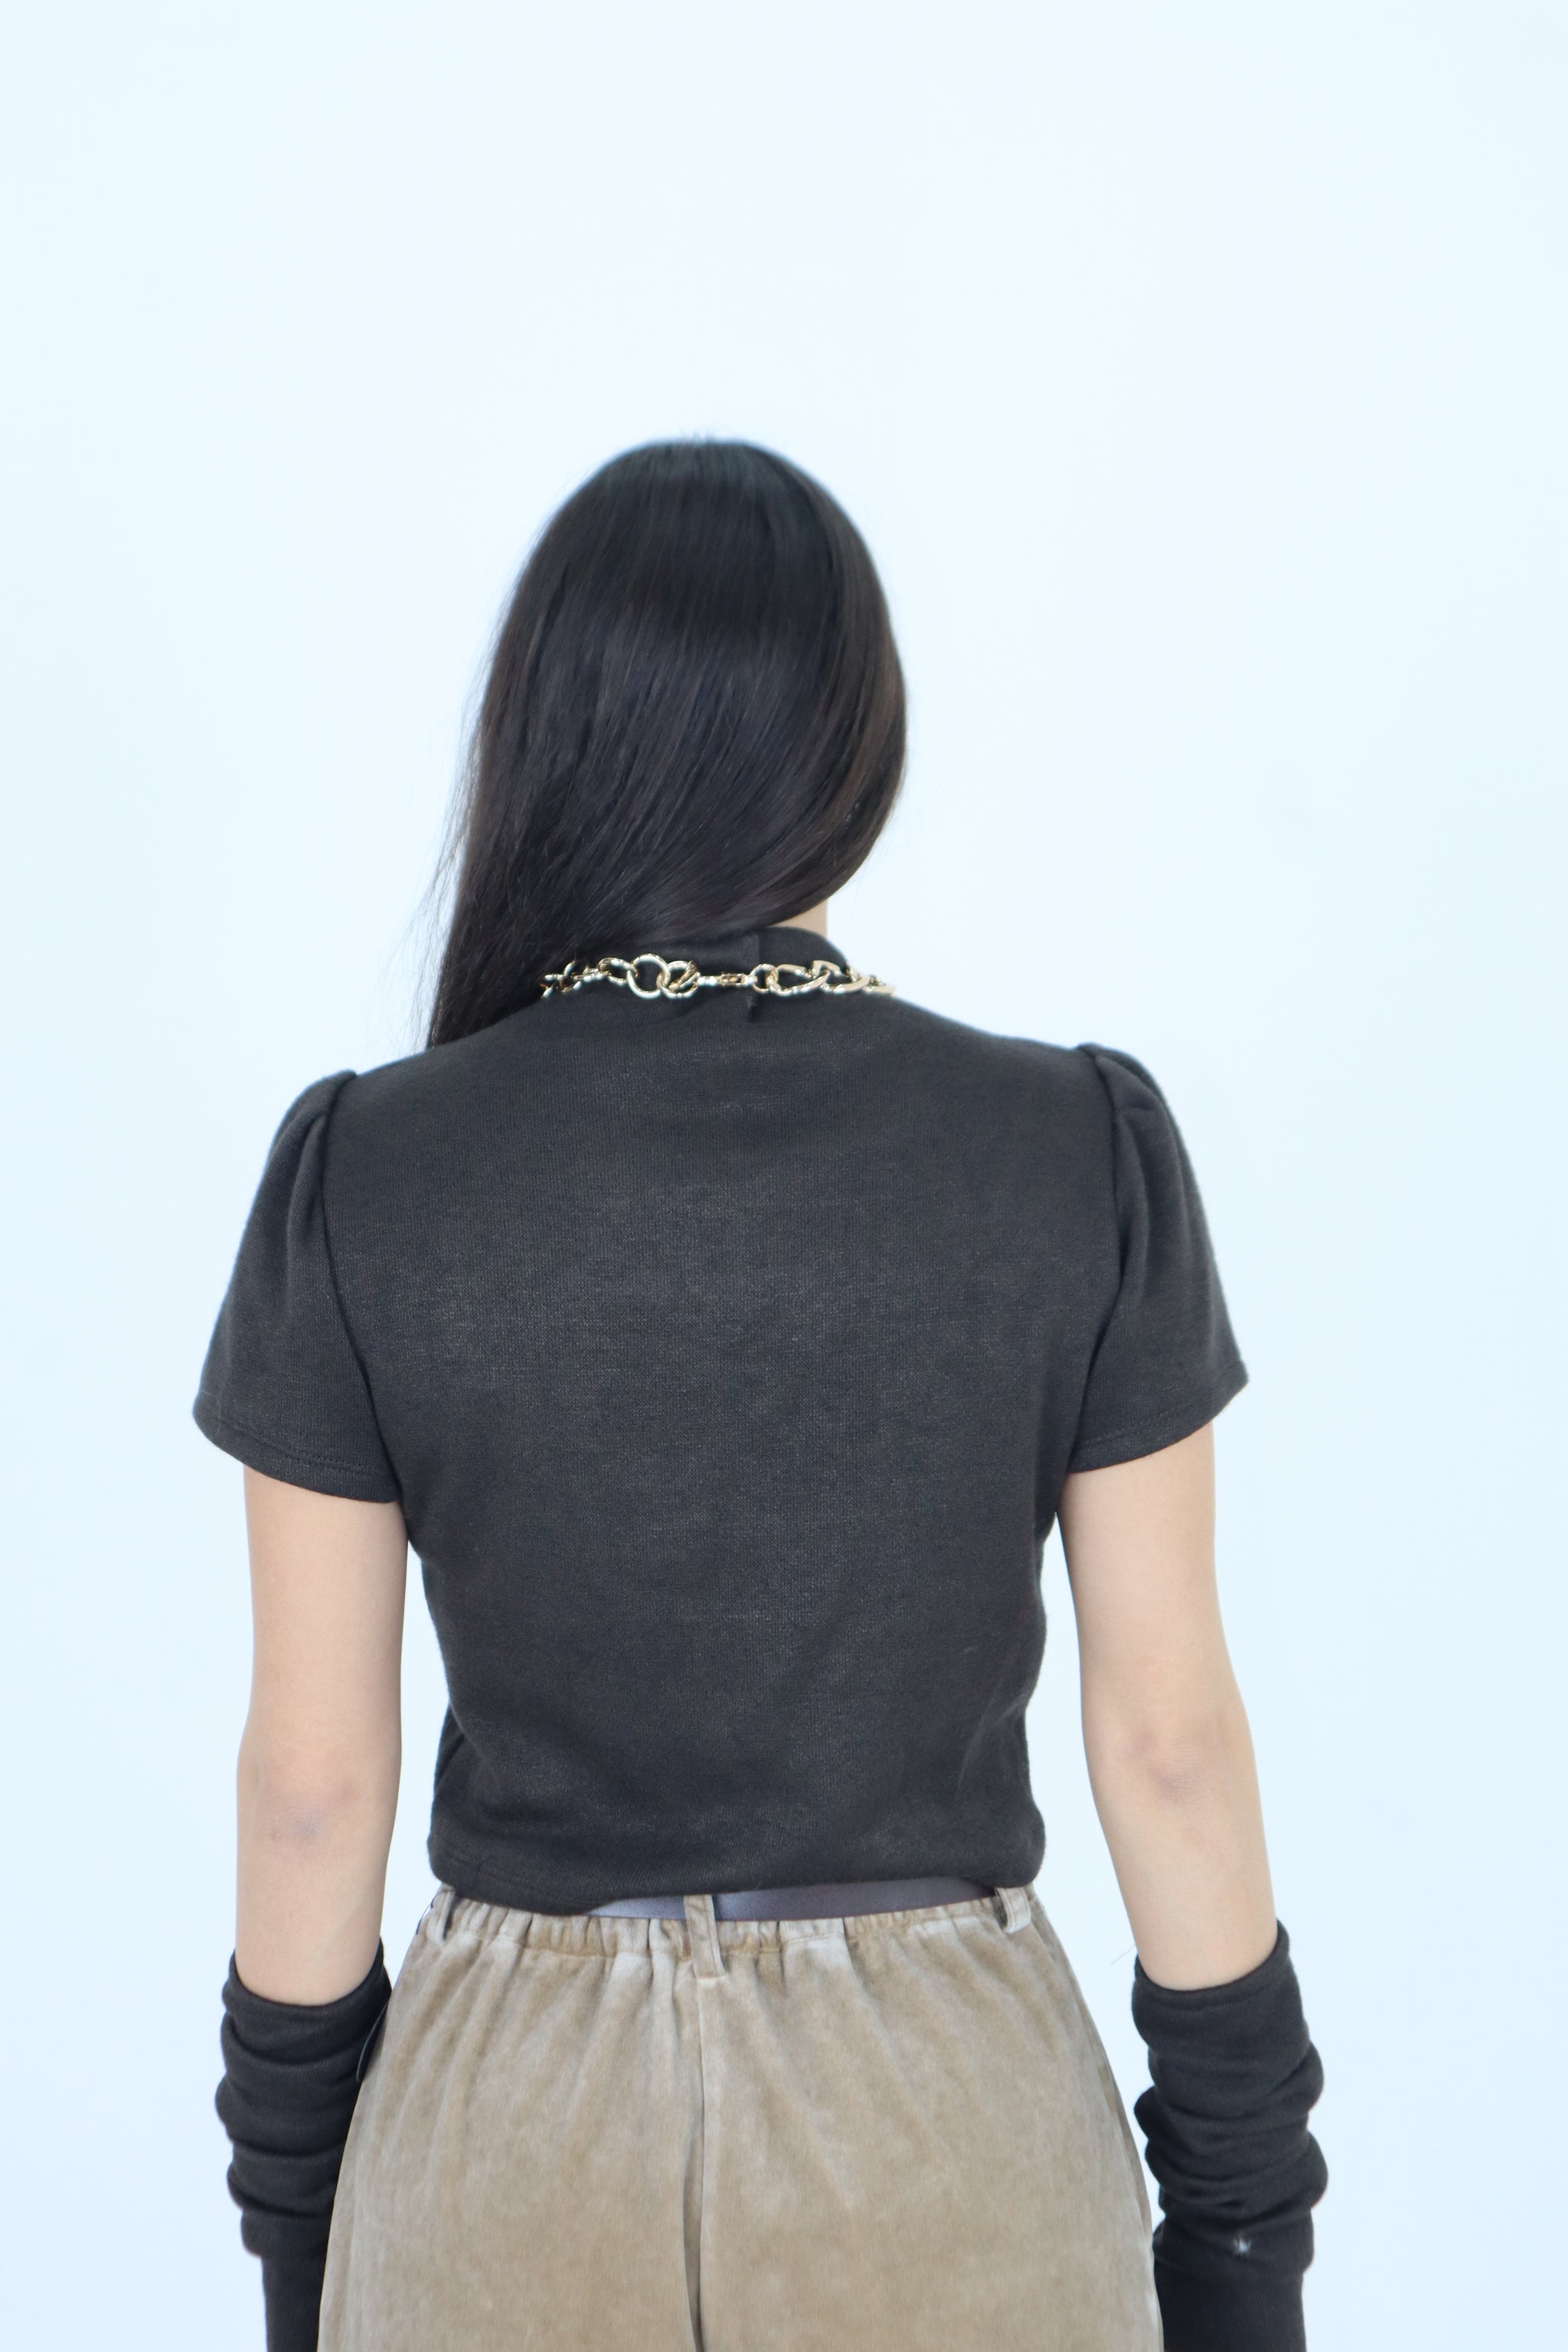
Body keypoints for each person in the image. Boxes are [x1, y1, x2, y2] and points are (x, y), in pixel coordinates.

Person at [197, 439, 1325, 2352]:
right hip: (951, 2131)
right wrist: (1240, 2243)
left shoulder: (364, 1172)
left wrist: (313, 2244)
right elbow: (1169, 1749)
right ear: (854, 751)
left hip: (498, 2147)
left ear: (549, 736)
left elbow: (312, 1793)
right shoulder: (1073, 1149)